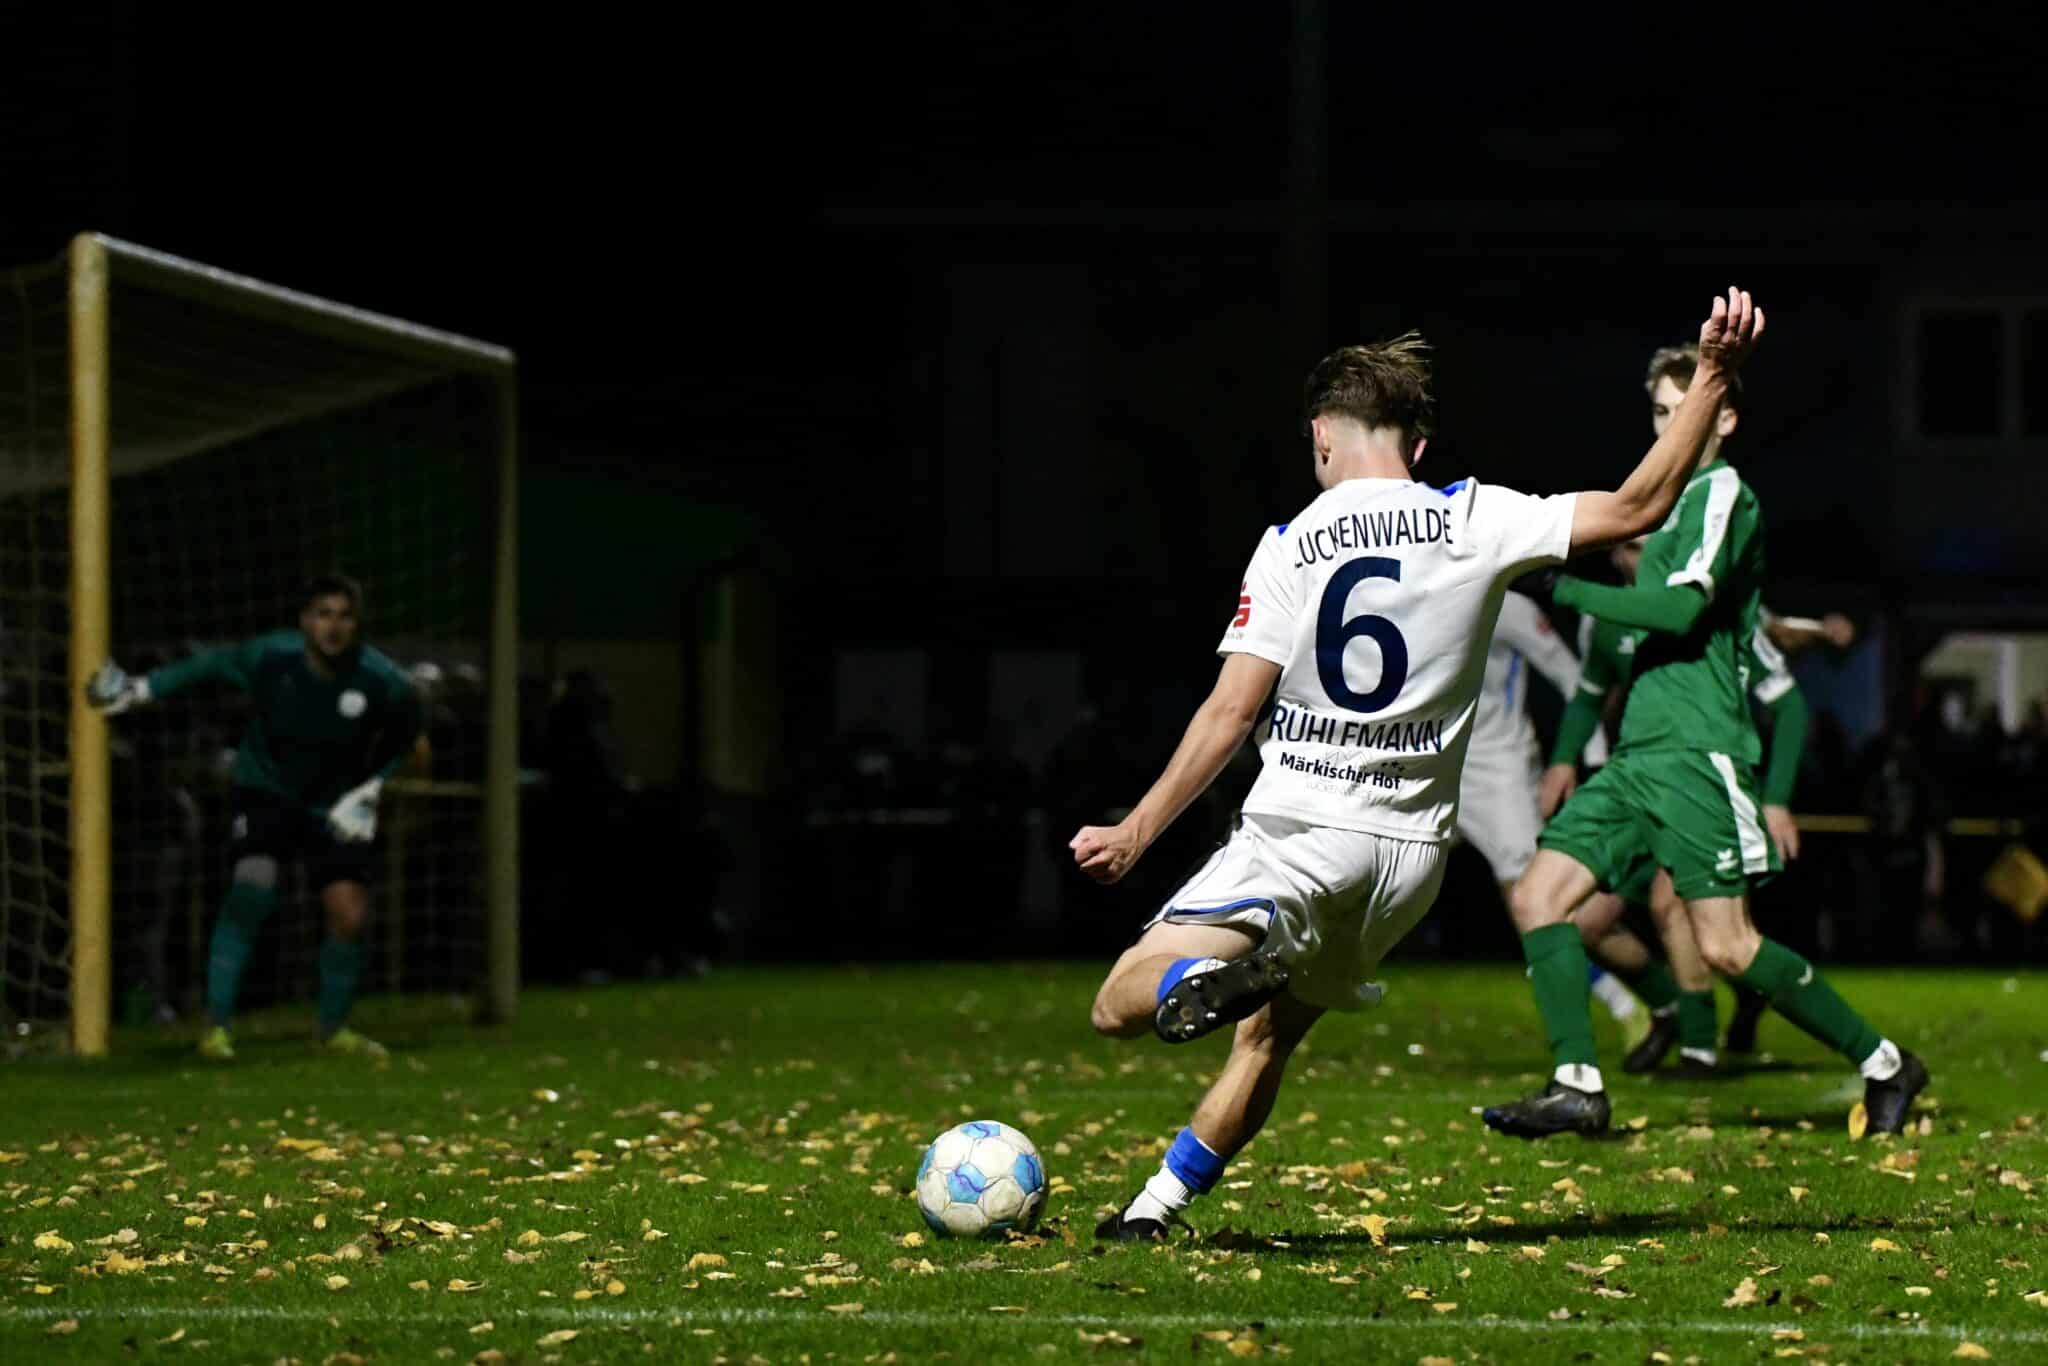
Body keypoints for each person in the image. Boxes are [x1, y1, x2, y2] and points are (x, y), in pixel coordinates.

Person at [1071, 289, 1764, 1240]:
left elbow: (1232, 710)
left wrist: (1137, 828)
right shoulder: (1474, 519)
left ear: (1322, 435)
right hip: (1406, 866)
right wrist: (1715, 378)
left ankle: (1206, 969)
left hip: (1301, 840)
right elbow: (1642, 502)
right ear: (1419, 448)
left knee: (1120, 1001)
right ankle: (1157, 1207)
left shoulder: (1290, 547)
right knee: (1267, 1037)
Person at [1483, 344, 1927, 1139]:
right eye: (1659, 413)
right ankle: (1577, 1083)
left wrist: (1564, 584)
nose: (1670, 426)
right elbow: (1608, 668)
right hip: (1636, 760)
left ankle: (1886, 1061)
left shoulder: (1723, 495)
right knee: (1537, 897)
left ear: (1721, 417)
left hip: (1697, 756)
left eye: (1683, 409)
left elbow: (1685, 613)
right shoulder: (1661, 513)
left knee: (1727, 946)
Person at [87, 574, 422, 1060]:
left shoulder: (380, 679)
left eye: (344, 616)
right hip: (266, 789)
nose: (333, 626)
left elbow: (410, 729)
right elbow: (209, 665)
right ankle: (217, 1027)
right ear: (305, 621)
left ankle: (332, 1030)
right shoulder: (271, 656)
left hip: (334, 803)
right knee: (253, 885)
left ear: (357, 625)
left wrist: (372, 787)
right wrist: (140, 690)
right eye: (323, 614)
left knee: (350, 914)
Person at [1462, 589, 1644, 1036]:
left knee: (1542, 905)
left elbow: (1571, 675)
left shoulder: (1510, 608)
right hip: (1424, 761)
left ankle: (1645, 1002)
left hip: (1495, 771)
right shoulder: (1415, 590)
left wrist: (1594, 760)